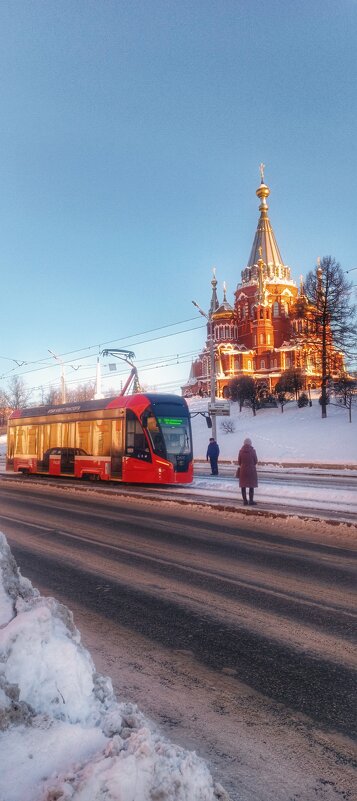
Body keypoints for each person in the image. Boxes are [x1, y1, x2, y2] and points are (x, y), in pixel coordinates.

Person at [237, 437, 258, 505]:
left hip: (243, 470)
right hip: (251, 470)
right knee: (251, 486)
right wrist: (251, 464)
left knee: (243, 486)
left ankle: (245, 501)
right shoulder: (253, 451)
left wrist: (243, 465)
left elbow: (239, 462)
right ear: (250, 443)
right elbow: (255, 461)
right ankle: (251, 501)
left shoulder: (241, 451)